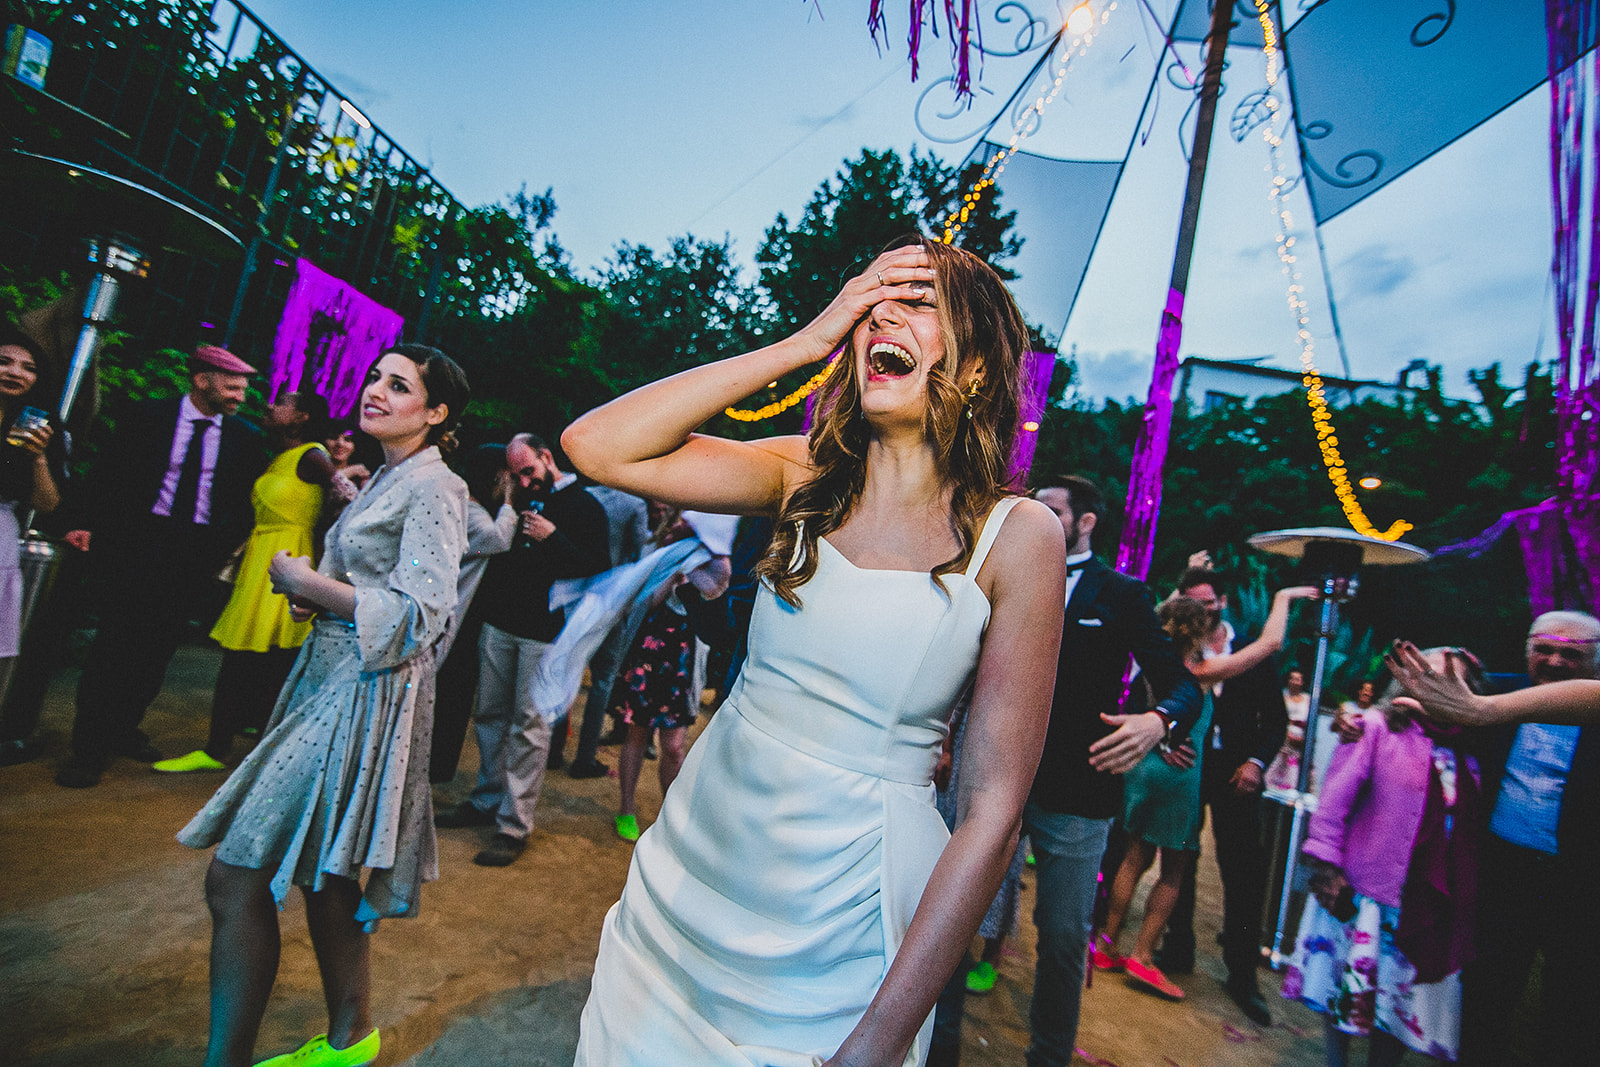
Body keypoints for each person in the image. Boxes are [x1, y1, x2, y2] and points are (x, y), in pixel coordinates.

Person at [562, 235, 1065, 1066]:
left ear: (975, 367)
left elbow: (990, 811)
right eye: (873, 300)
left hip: (840, 926)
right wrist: (806, 340)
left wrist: (878, 1039)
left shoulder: (1017, 538)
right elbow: (597, 445)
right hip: (689, 876)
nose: (881, 316)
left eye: (917, 301)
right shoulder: (803, 473)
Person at [175, 344, 468, 1067]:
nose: (376, 390)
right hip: (331, 677)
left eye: (400, 386)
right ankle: (351, 1036)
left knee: (235, 874)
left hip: (368, 693)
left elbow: (421, 614)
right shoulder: (384, 478)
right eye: (375, 377)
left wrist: (307, 581)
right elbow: (367, 589)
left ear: (435, 414)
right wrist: (312, 595)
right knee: (325, 873)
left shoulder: (436, 486)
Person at [1012, 474, 1202, 1067]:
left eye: (1052, 511)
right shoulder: (1006, 568)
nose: (1038, 520)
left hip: (1078, 788)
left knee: (1066, 938)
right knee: (949, 920)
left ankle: (1049, 1056)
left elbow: (1180, 685)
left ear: (1085, 521)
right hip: (996, 774)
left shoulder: (1120, 593)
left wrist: (1157, 722)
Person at [56, 345, 267, 788]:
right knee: (113, 646)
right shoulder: (145, 418)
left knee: (156, 651)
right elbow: (106, 475)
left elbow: (242, 505)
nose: (240, 394)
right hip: (135, 545)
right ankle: (87, 750)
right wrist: (84, 523)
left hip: (192, 555)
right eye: (232, 384)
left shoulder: (245, 438)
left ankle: (122, 728)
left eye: (244, 386)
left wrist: (216, 552)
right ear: (201, 379)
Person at [1094, 585, 1315, 1003]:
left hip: (1147, 768)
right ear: (1198, 632)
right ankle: (1142, 955)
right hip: (1180, 777)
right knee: (1175, 870)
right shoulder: (1200, 672)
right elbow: (1270, 643)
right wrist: (1283, 597)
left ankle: (1107, 945)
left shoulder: (1155, 665)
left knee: (1135, 855)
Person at [1283, 647, 1485, 1065]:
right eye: (1428, 676)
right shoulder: (1375, 727)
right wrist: (1324, 867)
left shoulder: (1470, 748)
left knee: (1396, 1000)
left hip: (1422, 899)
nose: (1440, 687)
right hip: (1366, 894)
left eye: (1454, 680)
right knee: (1348, 988)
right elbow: (1334, 802)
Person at [433, 432, 610, 867]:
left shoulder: (584, 505)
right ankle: (486, 798)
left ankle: (514, 825)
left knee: (529, 726)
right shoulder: (515, 498)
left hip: (544, 634)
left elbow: (598, 570)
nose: (524, 482)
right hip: (498, 623)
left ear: (548, 458)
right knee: (490, 714)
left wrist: (553, 538)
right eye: (516, 475)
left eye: (529, 471)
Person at [154, 391, 336, 772]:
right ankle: (223, 748)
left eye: (282, 403)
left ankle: (239, 753)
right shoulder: (279, 455)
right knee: (248, 656)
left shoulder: (313, 456)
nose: (270, 406)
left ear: (302, 416)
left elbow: (348, 495)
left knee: (266, 659)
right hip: (261, 555)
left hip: (289, 554)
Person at [1158, 567, 1293, 1025]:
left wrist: (1256, 762)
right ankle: (1177, 945)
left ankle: (1242, 972)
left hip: (1237, 771)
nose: (1204, 608)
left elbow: (1276, 720)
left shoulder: (1252, 651)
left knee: (1243, 870)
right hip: (1189, 766)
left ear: (1223, 601)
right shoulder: (1181, 649)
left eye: (1210, 600)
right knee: (1179, 855)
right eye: (1192, 600)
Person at [612, 504, 731, 842]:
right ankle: (626, 808)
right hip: (652, 649)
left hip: (684, 654)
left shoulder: (712, 557)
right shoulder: (659, 549)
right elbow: (645, 602)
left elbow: (717, 592)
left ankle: (670, 816)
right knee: (636, 733)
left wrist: (697, 571)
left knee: (675, 746)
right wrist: (671, 576)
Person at [427, 443, 517, 783]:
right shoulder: (473, 512)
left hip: (458, 611)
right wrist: (508, 502)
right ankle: (437, 767)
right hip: (455, 612)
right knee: (451, 693)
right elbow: (499, 539)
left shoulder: (464, 504)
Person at [0, 327, 66, 763]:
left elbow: (48, 503)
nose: (16, 372)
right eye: (6, 361)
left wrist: (39, 458)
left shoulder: (35, 428)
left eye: (29, 368)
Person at [568, 481, 651, 778]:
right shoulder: (634, 503)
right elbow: (638, 556)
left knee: (569, 670)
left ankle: (552, 753)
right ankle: (584, 759)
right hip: (611, 600)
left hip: (577, 596)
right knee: (602, 680)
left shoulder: (584, 495)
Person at [1387, 639, 1600, 726]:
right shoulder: (1502, 689)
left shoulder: (1489, 698)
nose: (1555, 662)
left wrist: (1478, 709)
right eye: (1543, 649)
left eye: (1572, 654)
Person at [1264, 667, 1311, 791]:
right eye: (1293, 679)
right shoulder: (1281, 695)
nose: (1295, 682)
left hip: (1298, 745)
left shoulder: (1308, 699)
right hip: (1281, 741)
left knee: (1294, 781)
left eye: (1298, 679)